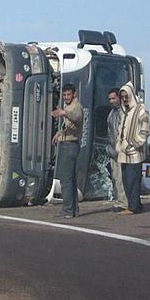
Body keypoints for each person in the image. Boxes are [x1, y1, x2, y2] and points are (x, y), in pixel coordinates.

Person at [116, 82, 150, 215]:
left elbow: (145, 130)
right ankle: (135, 204)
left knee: (133, 180)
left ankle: (133, 207)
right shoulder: (125, 111)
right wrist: (119, 145)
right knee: (126, 180)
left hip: (134, 152)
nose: (125, 99)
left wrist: (134, 144)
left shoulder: (141, 109)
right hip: (123, 152)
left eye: (126, 96)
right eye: (122, 97)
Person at [51, 83, 83, 218]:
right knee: (70, 179)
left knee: (66, 180)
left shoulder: (75, 107)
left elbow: (76, 117)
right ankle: (73, 209)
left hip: (70, 145)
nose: (66, 97)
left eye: (68, 94)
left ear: (74, 94)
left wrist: (63, 112)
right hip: (67, 142)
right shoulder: (70, 106)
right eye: (64, 95)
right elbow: (71, 125)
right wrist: (59, 133)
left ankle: (68, 210)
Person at [106, 87, 128, 212]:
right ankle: (119, 201)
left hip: (120, 151)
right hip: (112, 150)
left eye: (113, 98)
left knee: (120, 178)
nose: (111, 101)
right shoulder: (112, 113)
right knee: (115, 178)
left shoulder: (123, 113)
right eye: (110, 99)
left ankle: (123, 203)